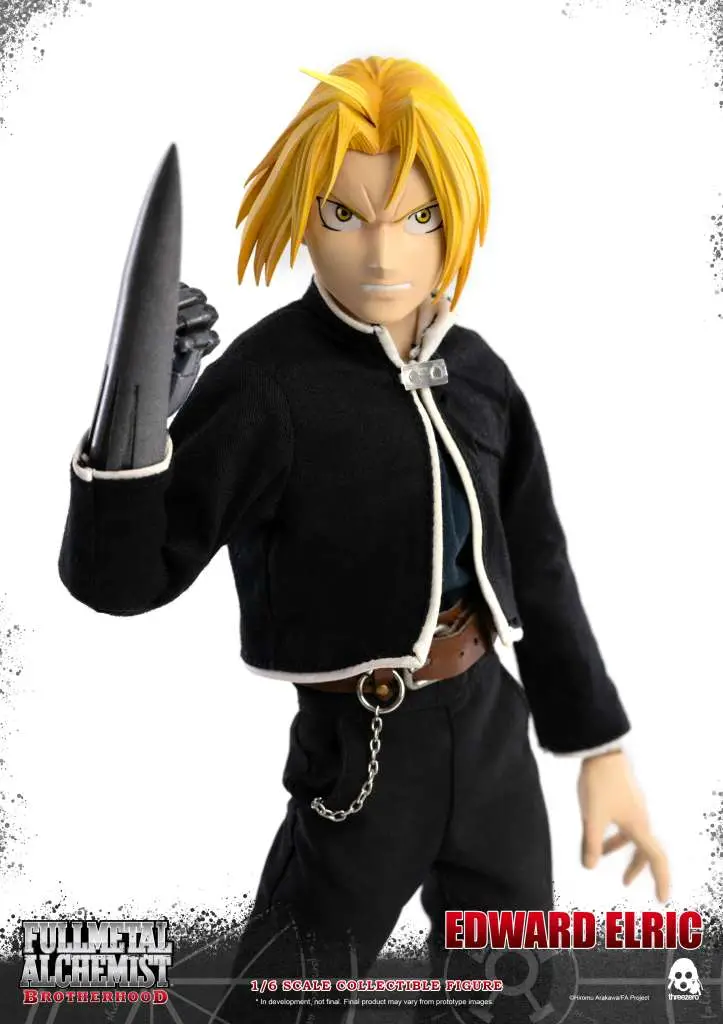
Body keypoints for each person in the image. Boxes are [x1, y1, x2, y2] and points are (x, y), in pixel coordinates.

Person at [59, 56, 669, 1023]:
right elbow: (124, 581)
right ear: (301, 218)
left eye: (418, 217)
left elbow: (539, 564)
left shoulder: (474, 371)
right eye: (344, 215)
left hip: (490, 724)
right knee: (289, 994)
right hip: (363, 750)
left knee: (507, 990)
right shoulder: (268, 383)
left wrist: (600, 751)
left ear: (455, 223)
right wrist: (132, 437)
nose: (382, 254)